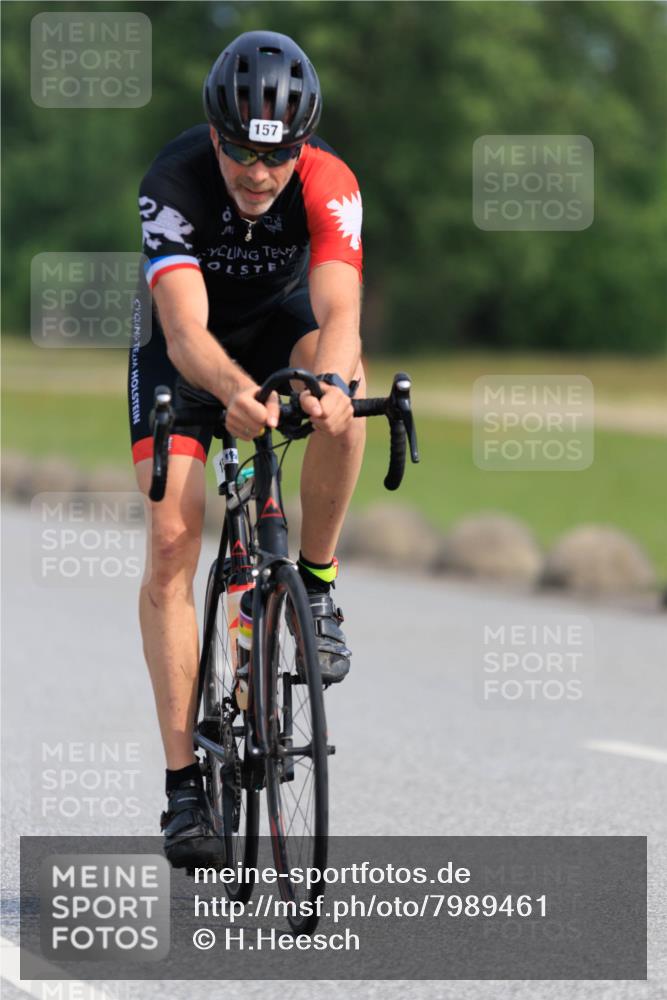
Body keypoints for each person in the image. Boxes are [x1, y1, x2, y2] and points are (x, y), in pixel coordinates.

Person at [127, 30, 365, 867]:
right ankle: (184, 789)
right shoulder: (174, 181)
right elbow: (185, 328)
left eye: (276, 157)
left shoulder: (331, 182)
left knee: (348, 399)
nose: (257, 175)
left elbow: (338, 315)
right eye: (239, 154)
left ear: (300, 147)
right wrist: (231, 394)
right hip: (185, 349)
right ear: (216, 137)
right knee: (171, 541)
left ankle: (320, 586)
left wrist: (328, 390)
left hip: (281, 325)